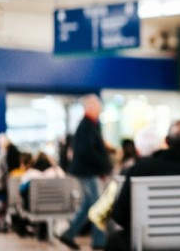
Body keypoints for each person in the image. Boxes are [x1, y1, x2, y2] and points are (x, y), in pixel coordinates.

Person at [106, 120, 180, 251]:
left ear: (167, 141)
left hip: (146, 243)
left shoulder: (140, 169)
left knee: (114, 240)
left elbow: (119, 216)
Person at [58, 94, 112, 250]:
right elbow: (87, 151)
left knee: (89, 205)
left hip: (87, 171)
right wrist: (103, 165)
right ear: (91, 108)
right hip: (88, 172)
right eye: (98, 106)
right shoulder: (87, 125)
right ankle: (99, 241)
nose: (100, 109)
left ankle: (69, 234)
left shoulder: (89, 125)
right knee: (98, 206)